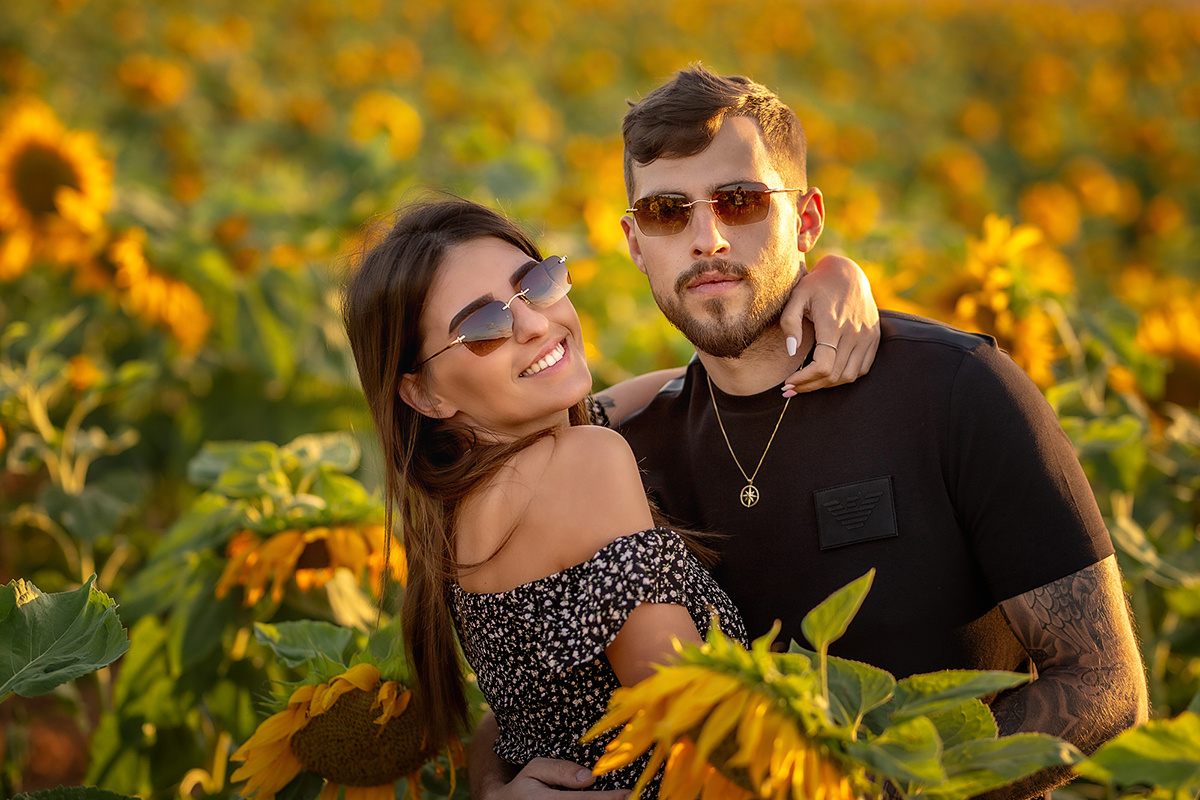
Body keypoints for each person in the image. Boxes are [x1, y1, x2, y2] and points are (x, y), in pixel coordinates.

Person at [470, 66, 1149, 800]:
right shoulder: (626, 452)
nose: (707, 238)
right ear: (635, 243)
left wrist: (888, 793)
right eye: (669, 211)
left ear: (807, 220)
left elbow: (1104, 684)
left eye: (742, 201)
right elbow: (544, 668)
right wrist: (489, 785)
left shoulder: (952, 389)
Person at [340, 197, 878, 796]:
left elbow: (694, 380)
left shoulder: (461, 504)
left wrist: (830, 274)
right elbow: (695, 723)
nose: (537, 325)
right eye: (484, 327)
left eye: (536, 284)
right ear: (424, 395)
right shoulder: (583, 462)